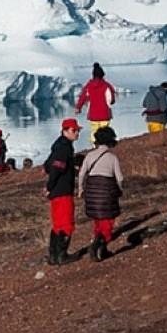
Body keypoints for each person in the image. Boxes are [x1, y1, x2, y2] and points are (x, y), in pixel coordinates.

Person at [77, 127, 124, 262]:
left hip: (91, 190)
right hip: (106, 191)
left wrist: (80, 189)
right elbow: (119, 178)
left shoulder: (89, 156)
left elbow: (81, 174)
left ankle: (101, 247)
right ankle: (98, 245)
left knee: (98, 220)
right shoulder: (112, 157)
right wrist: (119, 189)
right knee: (107, 221)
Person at [44, 118, 81, 265]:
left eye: (77, 130)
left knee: (58, 224)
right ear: (66, 131)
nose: (77, 133)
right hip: (62, 190)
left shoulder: (58, 145)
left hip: (57, 191)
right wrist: (49, 186)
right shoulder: (64, 148)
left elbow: (48, 165)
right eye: (74, 130)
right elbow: (55, 168)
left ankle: (54, 256)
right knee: (66, 223)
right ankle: (61, 255)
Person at [75, 63, 116, 140]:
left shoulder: (89, 86)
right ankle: (104, 146)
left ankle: (95, 146)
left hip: (93, 114)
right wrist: (111, 102)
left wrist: (78, 107)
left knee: (94, 131)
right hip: (105, 114)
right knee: (105, 132)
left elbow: (83, 97)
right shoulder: (106, 85)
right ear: (102, 75)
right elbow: (111, 99)